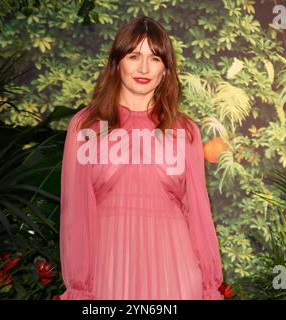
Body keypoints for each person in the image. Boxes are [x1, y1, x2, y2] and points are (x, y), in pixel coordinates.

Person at [59, 16, 224, 300]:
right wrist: (80, 286)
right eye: (134, 56)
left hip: (176, 276)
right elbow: (75, 215)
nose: (144, 68)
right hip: (108, 277)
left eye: (155, 58)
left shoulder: (184, 132)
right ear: (117, 62)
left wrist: (209, 287)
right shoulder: (86, 127)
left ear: (166, 70)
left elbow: (197, 214)